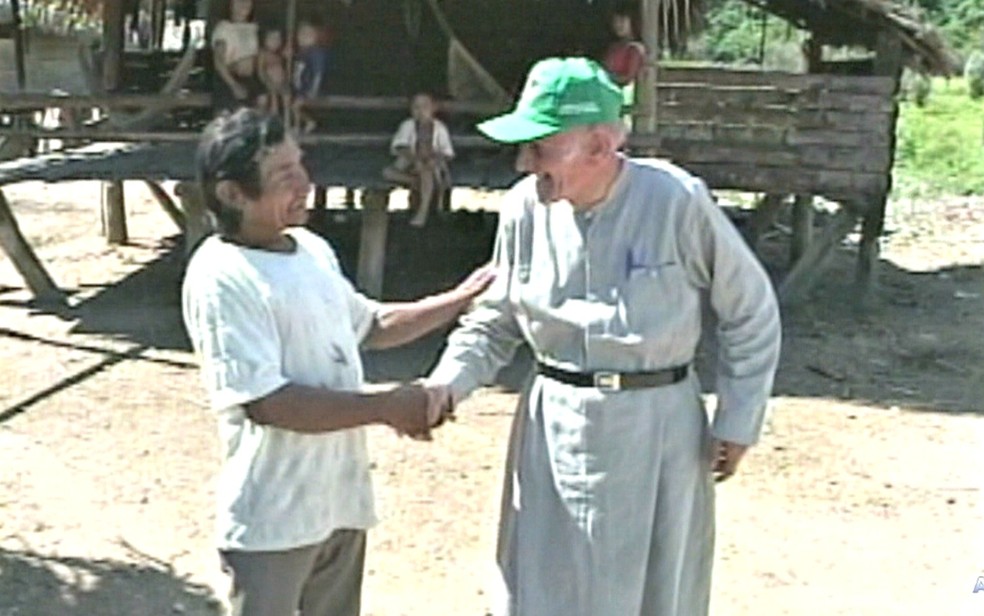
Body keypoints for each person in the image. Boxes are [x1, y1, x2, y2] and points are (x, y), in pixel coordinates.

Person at [425, 57, 782, 616]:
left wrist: (738, 418)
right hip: (554, 424)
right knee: (544, 587)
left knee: (655, 593)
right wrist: (445, 386)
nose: (526, 162)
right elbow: (495, 321)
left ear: (598, 146)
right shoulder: (523, 208)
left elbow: (751, 309)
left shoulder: (675, 201)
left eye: (541, 146)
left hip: (658, 428)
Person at [182, 108, 484, 616]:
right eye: (284, 176)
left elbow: (372, 325)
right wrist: (386, 407)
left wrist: (460, 298)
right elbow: (268, 404)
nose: (305, 183)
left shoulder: (311, 249)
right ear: (233, 194)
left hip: (338, 504)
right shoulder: (221, 277)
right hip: (274, 521)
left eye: (301, 165)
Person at [382, 93, 455, 228]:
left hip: (431, 164)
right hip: (410, 162)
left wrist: (434, 160)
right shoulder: (407, 125)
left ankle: (422, 211)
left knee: (426, 174)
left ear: (433, 108)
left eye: (425, 107)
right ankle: (416, 183)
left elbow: (447, 153)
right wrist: (414, 159)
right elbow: (398, 146)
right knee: (387, 172)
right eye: (416, 107)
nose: (421, 111)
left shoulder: (440, 128)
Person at [211, 0, 262, 113]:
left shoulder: (253, 28)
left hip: (251, 80)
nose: (244, 5)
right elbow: (219, 61)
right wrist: (233, 85)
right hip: (230, 79)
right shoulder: (224, 28)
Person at [602, 8, 646, 126]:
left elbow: (629, 77)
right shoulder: (613, 47)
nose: (618, 25)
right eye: (615, 22)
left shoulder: (635, 49)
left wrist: (606, 78)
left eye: (622, 21)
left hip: (624, 96)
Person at [291, 20, 332, 132]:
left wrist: (313, 89)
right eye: (301, 34)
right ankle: (301, 124)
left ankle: (307, 122)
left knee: (296, 106)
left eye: (308, 34)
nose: (303, 38)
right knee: (295, 106)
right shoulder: (301, 53)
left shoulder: (316, 53)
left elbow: (318, 72)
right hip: (301, 87)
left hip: (309, 88)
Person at [256, 26, 291, 116]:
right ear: (265, 40)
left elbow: (286, 67)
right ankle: (272, 115)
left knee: (287, 97)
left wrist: (288, 56)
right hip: (269, 83)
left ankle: (288, 119)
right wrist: (267, 82)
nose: (275, 41)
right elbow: (260, 70)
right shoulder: (263, 53)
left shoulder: (280, 54)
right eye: (272, 38)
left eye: (278, 38)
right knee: (272, 97)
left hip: (282, 83)